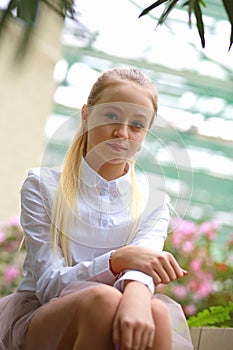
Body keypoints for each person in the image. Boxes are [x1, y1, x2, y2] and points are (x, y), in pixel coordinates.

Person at [0, 67, 194, 350]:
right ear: (86, 116)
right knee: (104, 300)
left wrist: (137, 294)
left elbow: (141, 270)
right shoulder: (41, 186)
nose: (122, 132)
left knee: (157, 313)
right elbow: (49, 286)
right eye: (111, 116)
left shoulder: (155, 203)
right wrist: (117, 259)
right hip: (44, 317)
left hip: (117, 304)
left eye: (137, 125)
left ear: (146, 135)